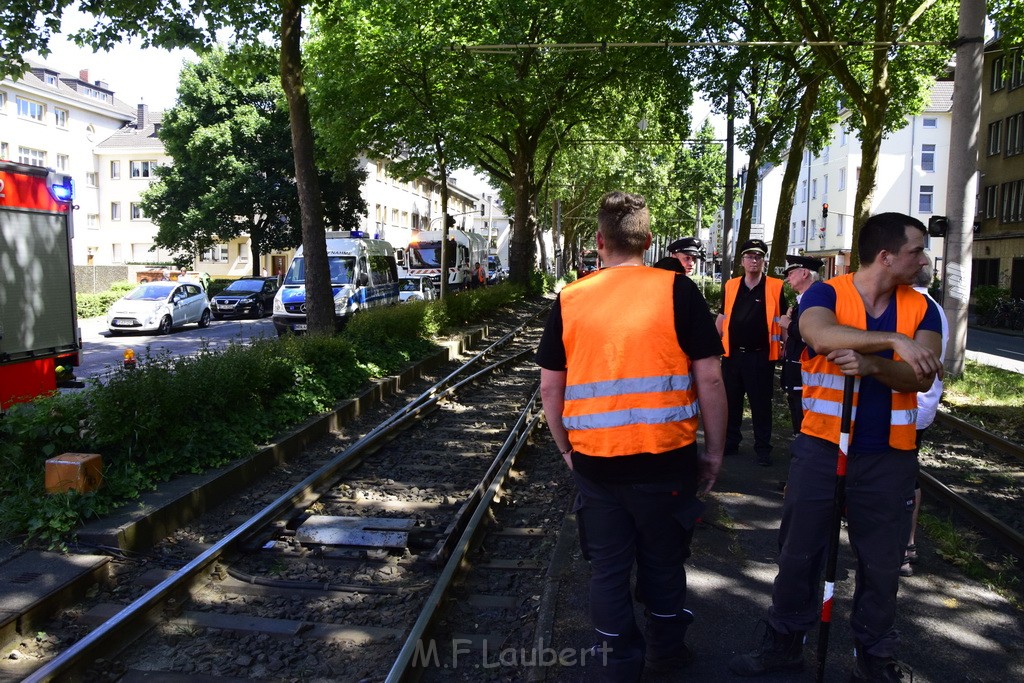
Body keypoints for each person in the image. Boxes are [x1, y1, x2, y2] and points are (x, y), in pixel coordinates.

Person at [729, 212, 943, 681]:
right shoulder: (827, 292)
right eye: (916, 251)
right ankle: (783, 644)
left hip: (890, 456)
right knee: (799, 552)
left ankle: (873, 655)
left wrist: (872, 367)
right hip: (823, 448)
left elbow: (921, 374)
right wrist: (891, 342)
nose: (923, 259)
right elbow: (819, 334)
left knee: (883, 563)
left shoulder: (923, 307)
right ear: (886, 257)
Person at [536, 191, 727, 681]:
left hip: (597, 466)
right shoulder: (678, 291)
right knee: (664, 565)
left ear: (599, 242)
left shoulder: (571, 298)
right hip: (667, 463)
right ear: (646, 240)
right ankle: (666, 651)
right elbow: (709, 379)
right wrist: (715, 453)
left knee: (608, 569)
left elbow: (550, 388)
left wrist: (565, 449)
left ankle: (620, 662)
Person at [716, 238, 786, 465]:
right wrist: (710, 344)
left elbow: (783, 319)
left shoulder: (775, 286)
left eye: (758, 257)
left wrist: (788, 348)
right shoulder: (731, 285)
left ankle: (763, 449)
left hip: (760, 356)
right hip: (733, 355)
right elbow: (722, 316)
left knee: (761, 405)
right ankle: (730, 443)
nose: (754, 260)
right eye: (749, 256)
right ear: (742, 261)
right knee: (731, 402)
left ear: (763, 261)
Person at [902, 257, 949, 577]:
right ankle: (908, 543)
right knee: (909, 471)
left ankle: (903, 545)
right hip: (924, 405)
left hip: (906, 403)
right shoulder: (936, 308)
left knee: (899, 473)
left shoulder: (914, 307)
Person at [778, 255, 824, 434]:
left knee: (806, 422)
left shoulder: (815, 298)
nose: (787, 278)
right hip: (800, 374)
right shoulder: (805, 299)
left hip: (808, 374)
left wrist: (787, 324)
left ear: (804, 273)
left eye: (790, 273)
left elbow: (811, 335)